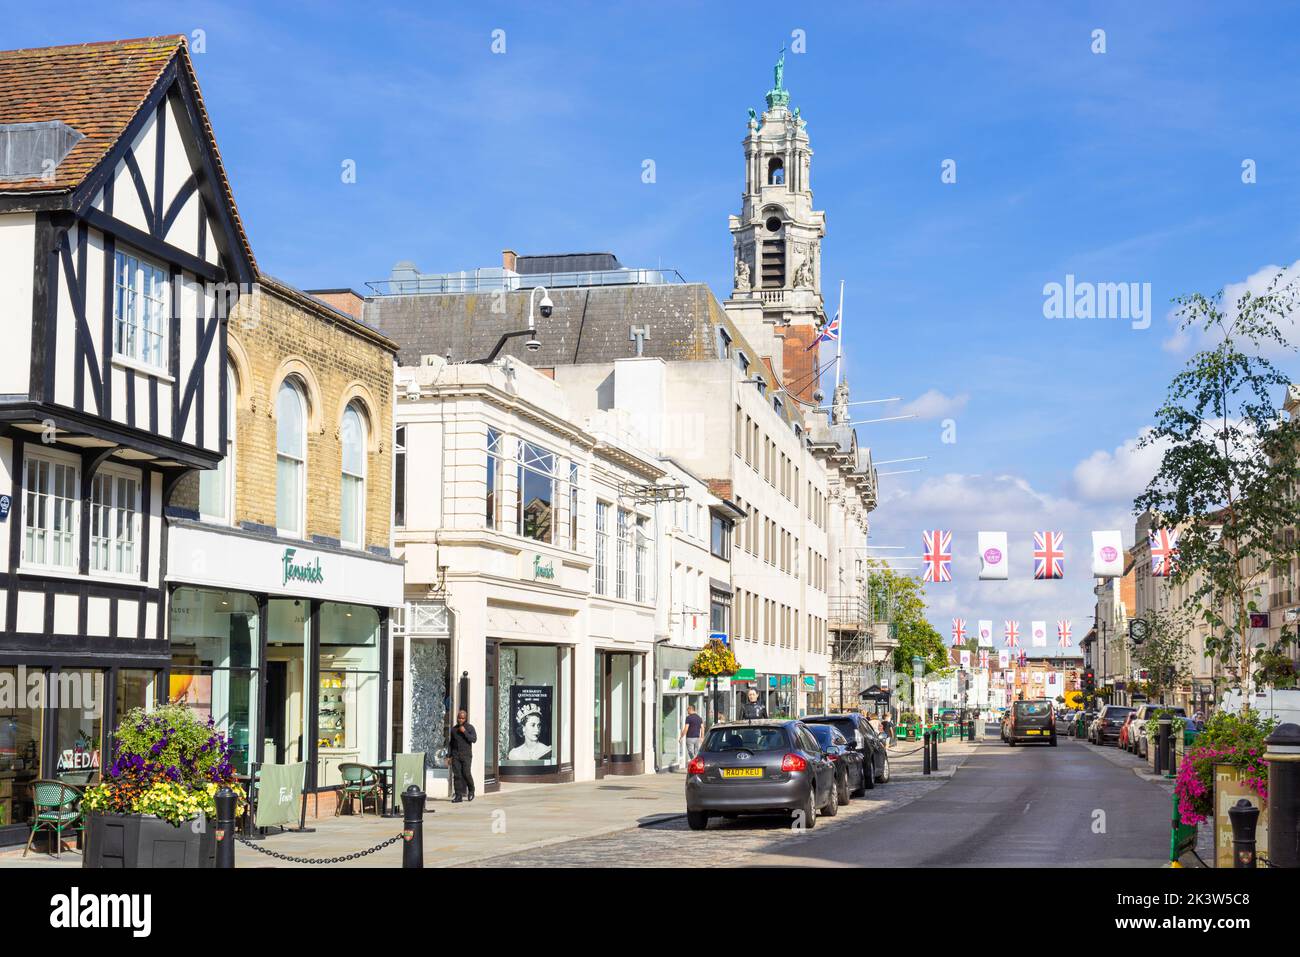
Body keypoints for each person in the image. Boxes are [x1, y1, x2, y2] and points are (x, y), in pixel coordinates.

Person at [446, 709, 477, 803]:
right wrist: (448, 756)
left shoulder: (470, 728)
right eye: (459, 718)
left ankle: (471, 790)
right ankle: (458, 796)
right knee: (457, 775)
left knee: (466, 773)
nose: (460, 720)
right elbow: (451, 743)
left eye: (462, 718)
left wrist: (464, 732)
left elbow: (474, 739)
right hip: (456, 755)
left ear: (466, 718)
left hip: (466, 755)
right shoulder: (454, 729)